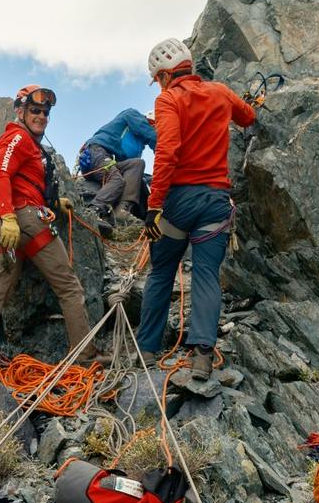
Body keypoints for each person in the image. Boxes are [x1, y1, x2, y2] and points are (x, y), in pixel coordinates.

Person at [137, 38, 254, 385]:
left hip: (178, 201)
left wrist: (154, 205)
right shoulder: (219, 92)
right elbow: (247, 117)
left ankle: (146, 347)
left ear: (162, 76)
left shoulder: (168, 99)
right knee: (205, 275)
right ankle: (202, 357)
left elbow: (168, 150)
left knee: (161, 272)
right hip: (215, 202)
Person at [0, 85, 97, 366]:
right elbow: (1, 174)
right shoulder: (16, 137)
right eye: (35, 110)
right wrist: (10, 215)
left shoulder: (29, 144)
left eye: (45, 112)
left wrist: (54, 203)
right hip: (25, 221)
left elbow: (23, 182)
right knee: (69, 287)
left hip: (12, 227)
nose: (41, 116)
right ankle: (84, 357)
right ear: (20, 111)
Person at [78, 108, 156, 225]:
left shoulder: (138, 144)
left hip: (110, 160)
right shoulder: (132, 115)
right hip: (97, 151)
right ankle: (94, 210)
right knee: (116, 180)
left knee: (138, 164)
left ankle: (122, 210)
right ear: (150, 121)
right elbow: (154, 137)